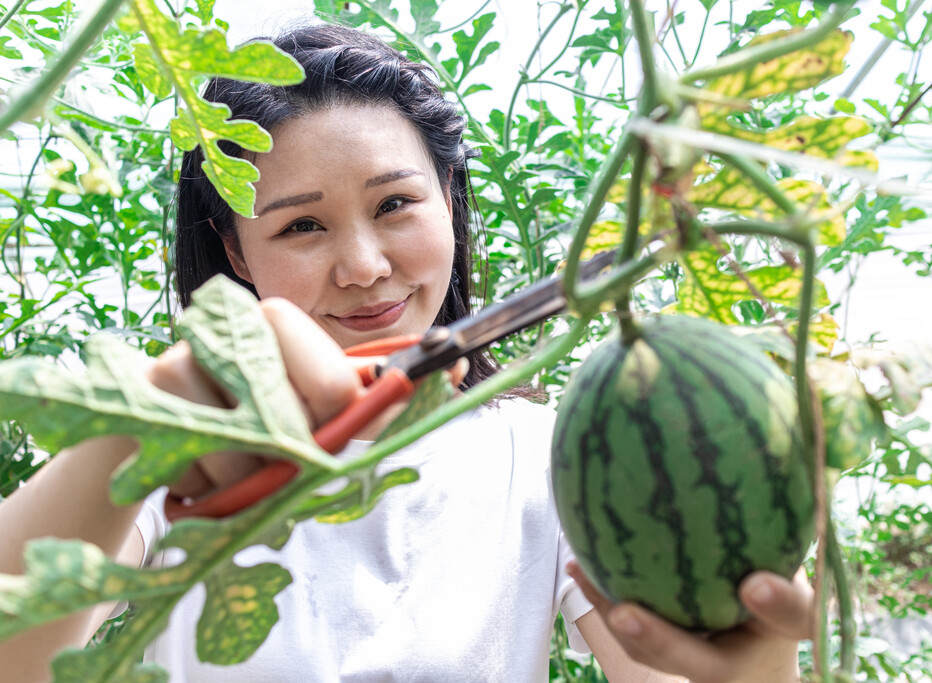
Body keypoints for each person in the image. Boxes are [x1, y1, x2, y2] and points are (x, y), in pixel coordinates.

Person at [0, 22, 812, 683]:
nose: (363, 267)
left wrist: (759, 659)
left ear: (451, 204)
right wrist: (138, 434)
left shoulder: (543, 456)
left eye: (395, 204)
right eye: (301, 226)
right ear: (236, 252)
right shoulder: (193, 453)